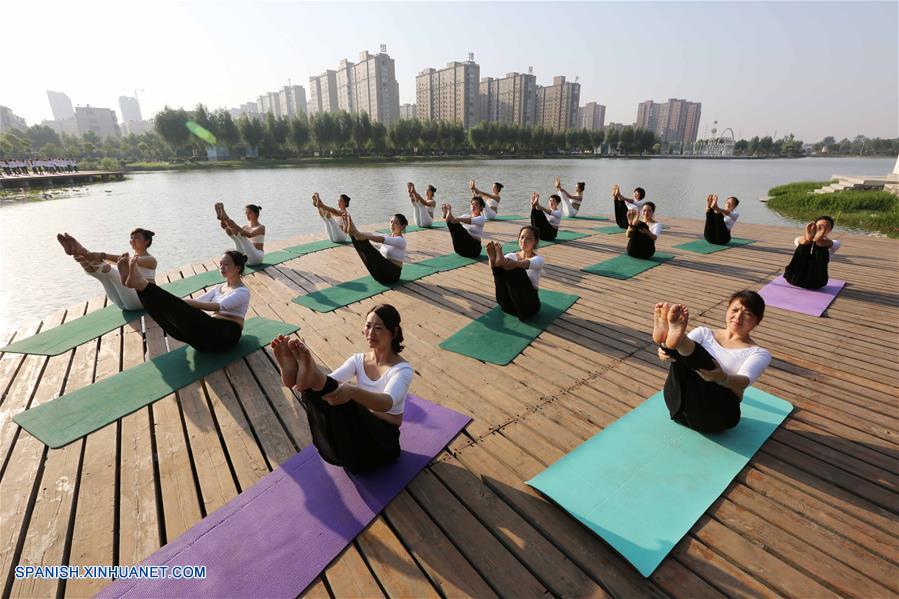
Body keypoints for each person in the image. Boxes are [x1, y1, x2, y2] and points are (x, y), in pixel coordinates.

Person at [271, 303, 413, 473]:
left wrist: (352, 392)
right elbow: (329, 382)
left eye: (378, 328)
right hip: (358, 434)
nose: (371, 332)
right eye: (368, 326)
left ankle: (310, 372)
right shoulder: (358, 360)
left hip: (383, 443)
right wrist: (315, 384)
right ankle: (300, 373)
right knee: (321, 392)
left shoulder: (401, 370)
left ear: (394, 332)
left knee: (343, 398)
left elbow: (386, 403)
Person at [653, 291, 772, 432]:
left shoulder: (758, 353)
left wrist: (722, 378)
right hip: (678, 403)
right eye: (734, 310)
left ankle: (671, 339)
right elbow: (678, 356)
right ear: (727, 309)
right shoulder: (704, 333)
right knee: (678, 354)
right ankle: (666, 341)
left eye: (747, 314)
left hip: (716, 414)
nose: (738, 316)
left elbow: (744, 381)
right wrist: (664, 353)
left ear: (757, 321)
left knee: (706, 364)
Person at [120, 249, 250, 353]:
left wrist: (181, 303)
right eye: (220, 264)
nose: (221, 267)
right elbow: (196, 302)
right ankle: (140, 288)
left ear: (238, 268)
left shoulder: (242, 292)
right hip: (205, 340)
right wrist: (178, 303)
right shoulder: (218, 288)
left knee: (179, 308)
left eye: (226, 264)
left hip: (225, 335)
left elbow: (219, 306)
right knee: (170, 321)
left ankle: (141, 284)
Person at [56, 228, 157, 311]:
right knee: (101, 275)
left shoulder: (151, 260)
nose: (132, 240)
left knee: (112, 273)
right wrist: (89, 256)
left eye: (137, 238)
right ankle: (77, 253)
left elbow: (129, 261)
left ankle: (80, 250)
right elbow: (118, 260)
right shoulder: (129, 259)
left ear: (147, 241)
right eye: (131, 238)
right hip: (125, 304)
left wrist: (102, 255)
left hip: (144, 301)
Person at [485, 226, 543, 321]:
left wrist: (507, 262)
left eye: (528, 238)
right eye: (522, 237)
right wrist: (494, 262)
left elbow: (525, 264)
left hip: (529, 306)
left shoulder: (539, 259)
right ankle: (492, 260)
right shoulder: (511, 255)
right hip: (509, 304)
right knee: (499, 268)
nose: (524, 241)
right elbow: (499, 269)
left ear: (535, 241)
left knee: (516, 268)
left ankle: (499, 261)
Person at [341, 212, 408, 285]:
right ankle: (352, 232)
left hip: (392, 275)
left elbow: (381, 239)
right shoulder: (387, 236)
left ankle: (353, 231)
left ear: (402, 226)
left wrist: (365, 237)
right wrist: (360, 234)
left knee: (368, 247)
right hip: (380, 273)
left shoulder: (401, 241)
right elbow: (373, 234)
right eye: (391, 222)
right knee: (359, 241)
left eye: (396, 223)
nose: (392, 224)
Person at [783, 216, 840, 289]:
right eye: (819, 226)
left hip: (816, 281)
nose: (822, 229)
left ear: (830, 230)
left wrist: (820, 239)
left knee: (821, 246)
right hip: (794, 277)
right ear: (814, 226)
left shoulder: (835, 242)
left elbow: (831, 244)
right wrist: (808, 239)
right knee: (803, 246)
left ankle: (818, 241)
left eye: (825, 227)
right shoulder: (801, 239)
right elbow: (798, 240)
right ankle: (811, 239)